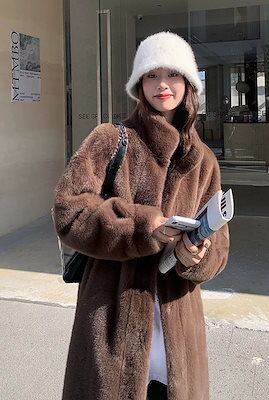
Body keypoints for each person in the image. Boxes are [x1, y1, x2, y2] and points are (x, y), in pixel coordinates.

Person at [53, 31, 230, 400]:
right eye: (152, 75)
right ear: (139, 84)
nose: (162, 84)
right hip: (112, 319)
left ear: (188, 82)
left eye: (173, 74)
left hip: (178, 330)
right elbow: (69, 211)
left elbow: (219, 250)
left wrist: (197, 254)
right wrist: (140, 227)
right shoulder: (109, 139)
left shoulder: (204, 160)